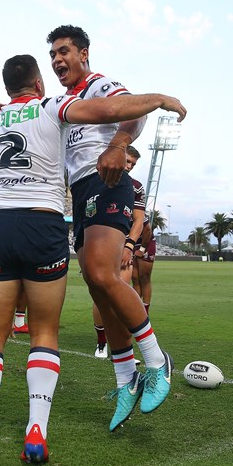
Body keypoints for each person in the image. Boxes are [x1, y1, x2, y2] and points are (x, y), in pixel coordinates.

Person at [0, 54, 186, 465]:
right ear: (39, 83)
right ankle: (38, 433)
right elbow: (112, 111)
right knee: (48, 328)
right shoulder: (53, 107)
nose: (59, 61)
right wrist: (159, 98)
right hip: (45, 222)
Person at [46, 24, 176, 431]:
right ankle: (126, 379)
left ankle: (156, 362)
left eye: (64, 51)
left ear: (84, 53)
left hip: (107, 182)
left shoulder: (101, 85)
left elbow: (133, 111)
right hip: (80, 191)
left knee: (104, 274)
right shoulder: (63, 103)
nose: (57, 60)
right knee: (99, 287)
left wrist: (118, 144)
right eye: (52, 55)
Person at [91, 145, 146, 359]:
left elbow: (139, 219)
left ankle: (123, 346)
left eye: (133, 164)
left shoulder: (136, 187)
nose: (130, 166)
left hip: (123, 246)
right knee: (100, 298)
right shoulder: (97, 178)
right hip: (97, 245)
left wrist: (130, 246)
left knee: (121, 294)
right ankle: (101, 342)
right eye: (128, 161)